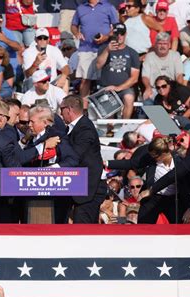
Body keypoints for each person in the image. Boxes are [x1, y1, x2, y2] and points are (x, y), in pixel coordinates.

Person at [60, 95, 107, 224]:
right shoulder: (71, 128)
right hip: (78, 186)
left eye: (61, 109)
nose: (60, 113)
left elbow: (75, 154)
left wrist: (56, 167)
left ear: (69, 110)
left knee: (84, 230)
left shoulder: (85, 128)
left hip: (90, 188)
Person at [71, 0, 119, 108]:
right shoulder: (80, 8)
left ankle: (107, 110)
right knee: (84, 80)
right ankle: (84, 111)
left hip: (104, 49)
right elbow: (73, 25)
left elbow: (117, 27)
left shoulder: (108, 7)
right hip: (85, 49)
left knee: (104, 80)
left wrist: (106, 37)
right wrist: (76, 32)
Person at [96, 23, 139, 119]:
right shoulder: (103, 49)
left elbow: (134, 78)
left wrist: (118, 88)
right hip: (106, 87)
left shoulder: (132, 53)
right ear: (112, 34)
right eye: (116, 34)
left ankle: (124, 125)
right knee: (106, 99)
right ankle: (109, 128)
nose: (119, 36)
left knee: (129, 97)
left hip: (124, 88)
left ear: (125, 34)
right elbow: (98, 65)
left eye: (122, 34)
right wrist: (107, 50)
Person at [142, 32, 184, 104]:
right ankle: (156, 115)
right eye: (160, 44)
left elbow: (179, 75)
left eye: (165, 44)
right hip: (155, 89)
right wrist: (148, 87)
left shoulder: (175, 55)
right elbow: (145, 76)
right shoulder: (149, 57)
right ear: (155, 45)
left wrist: (178, 89)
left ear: (169, 45)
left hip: (171, 88)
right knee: (147, 100)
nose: (162, 46)